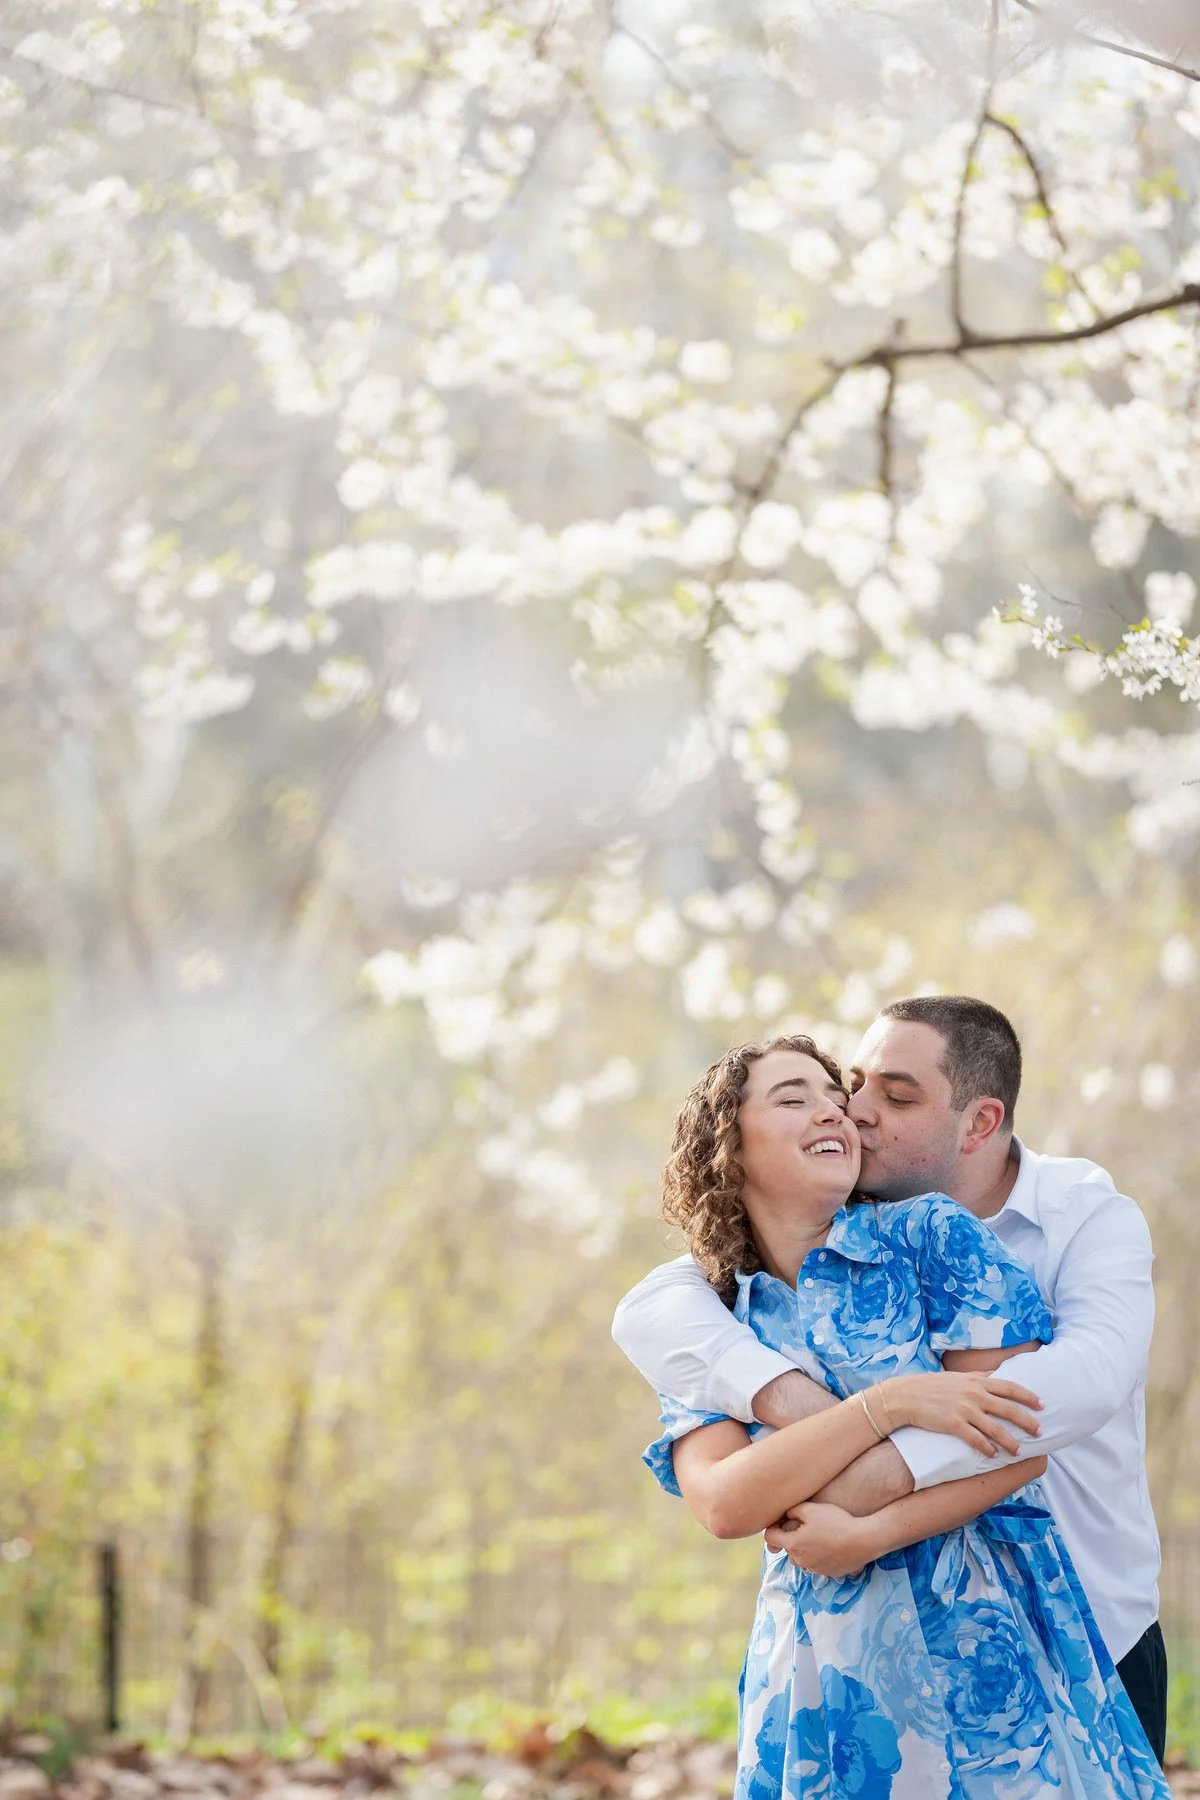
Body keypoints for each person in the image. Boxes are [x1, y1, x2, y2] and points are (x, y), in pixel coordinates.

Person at [614, 996, 1165, 1764]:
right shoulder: (731, 1293)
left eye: (895, 1096)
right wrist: (880, 1406)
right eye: (854, 1085)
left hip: (1078, 1622)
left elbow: (1050, 1408)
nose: (855, 1112)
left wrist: (850, 1504)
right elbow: (657, 1316)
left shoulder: (1065, 1220)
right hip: (830, 1655)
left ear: (979, 1123)